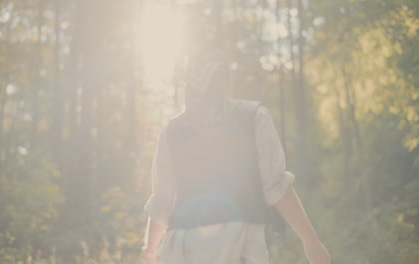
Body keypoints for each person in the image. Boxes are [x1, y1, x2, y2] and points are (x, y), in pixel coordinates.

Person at [141, 47, 331, 264]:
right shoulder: (253, 118)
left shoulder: (172, 132)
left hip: (182, 251)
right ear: (226, 79)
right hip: (238, 248)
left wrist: (150, 252)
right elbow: (278, 189)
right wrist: (311, 243)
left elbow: (162, 204)